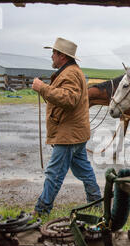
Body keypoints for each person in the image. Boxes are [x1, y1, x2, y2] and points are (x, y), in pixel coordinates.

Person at [31, 37, 101, 215]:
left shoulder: (69, 73)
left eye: (53, 53)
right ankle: (96, 204)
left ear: (62, 56)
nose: (51, 56)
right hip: (75, 134)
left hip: (68, 135)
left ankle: (41, 210)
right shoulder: (71, 71)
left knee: (54, 173)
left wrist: (42, 88)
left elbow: (69, 99)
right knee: (84, 171)